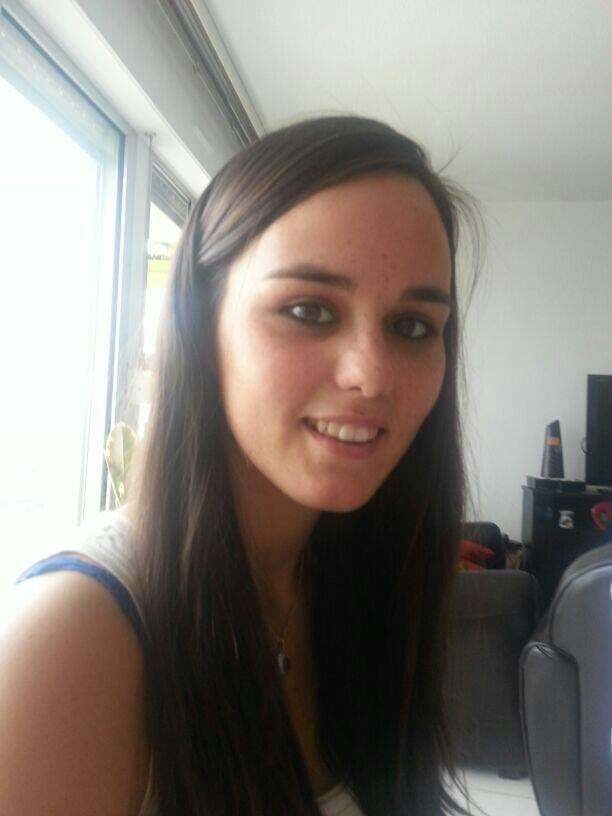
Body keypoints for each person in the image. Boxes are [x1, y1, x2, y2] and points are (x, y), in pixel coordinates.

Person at [1, 116, 481, 815]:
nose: (371, 375)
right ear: (201, 327)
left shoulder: (366, 578)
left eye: (411, 326)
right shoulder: (73, 637)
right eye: (308, 310)